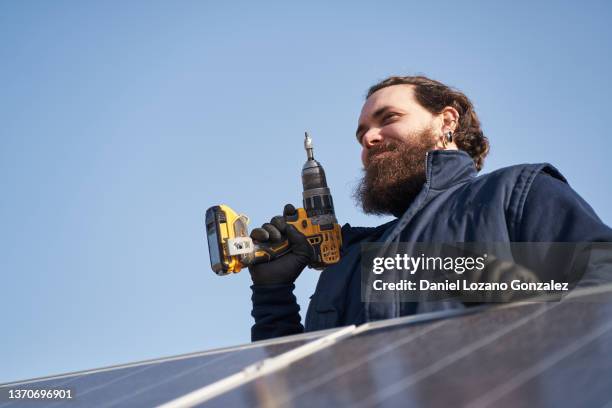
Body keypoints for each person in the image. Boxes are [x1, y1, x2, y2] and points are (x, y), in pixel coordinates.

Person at [248, 75, 612, 341]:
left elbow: (602, 291)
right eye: (362, 135)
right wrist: (272, 294)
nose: (370, 138)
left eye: (388, 118)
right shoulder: (350, 259)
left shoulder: (515, 192)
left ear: (447, 121)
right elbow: (296, 389)